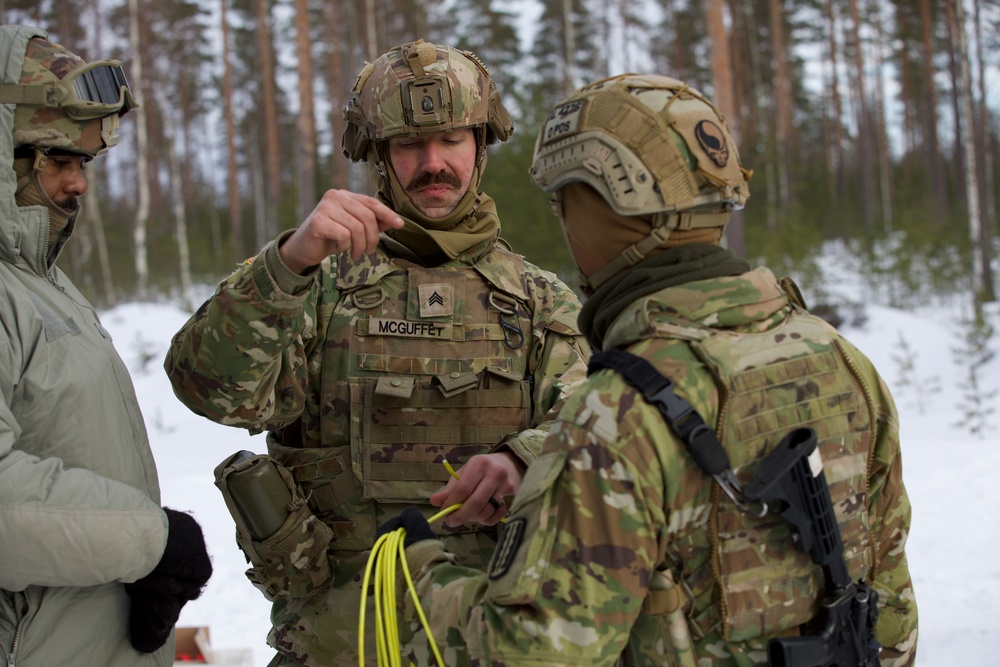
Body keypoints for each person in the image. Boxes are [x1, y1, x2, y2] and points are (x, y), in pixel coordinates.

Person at [377, 73, 919, 666]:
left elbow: (533, 655)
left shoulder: (619, 412)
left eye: (566, 205)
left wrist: (420, 573)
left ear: (601, 209)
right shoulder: (841, 359)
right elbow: (890, 621)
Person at [164, 39, 591, 667]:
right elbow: (208, 389)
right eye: (409, 144)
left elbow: (601, 425)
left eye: (451, 140)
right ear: (380, 157)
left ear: (481, 145)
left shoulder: (537, 301)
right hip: (341, 642)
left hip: (488, 641)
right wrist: (290, 263)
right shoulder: (318, 286)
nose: (433, 162)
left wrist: (526, 456)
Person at [0, 24, 213, 667]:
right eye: (55, 159)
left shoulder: (42, 284)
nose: (79, 184)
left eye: (84, 162)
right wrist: (152, 542)